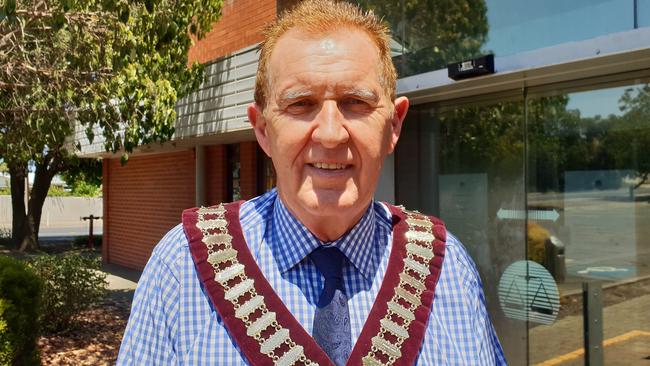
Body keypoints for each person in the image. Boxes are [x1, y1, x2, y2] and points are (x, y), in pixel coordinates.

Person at [117, 1, 506, 365]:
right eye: (301, 104)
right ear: (263, 129)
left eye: (357, 102)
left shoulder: (447, 268)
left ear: (394, 124)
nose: (332, 134)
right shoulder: (183, 266)